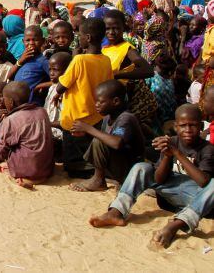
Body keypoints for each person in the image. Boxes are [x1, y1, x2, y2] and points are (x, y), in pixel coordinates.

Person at [89, 104, 214, 248]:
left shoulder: (207, 149)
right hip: (169, 194)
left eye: (193, 125)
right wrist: (167, 156)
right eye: (183, 125)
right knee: (142, 167)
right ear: (175, 126)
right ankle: (116, 211)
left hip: (197, 198)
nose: (187, 130)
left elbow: (203, 182)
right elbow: (159, 179)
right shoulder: (171, 141)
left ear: (200, 126)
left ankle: (176, 224)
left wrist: (177, 153)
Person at [51, 18, 114, 177]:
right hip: (96, 116)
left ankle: (79, 171)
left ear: (88, 38)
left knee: (72, 158)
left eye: (80, 36)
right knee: (87, 149)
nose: (78, 39)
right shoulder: (106, 60)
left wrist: (57, 94)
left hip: (75, 116)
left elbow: (62, 85)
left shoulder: (79, 60)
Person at [70, 80, 145, 191]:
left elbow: (116, 143)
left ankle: (98, 180)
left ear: (115, 101)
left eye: (100, 102)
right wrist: (86, 133)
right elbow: (104, 142)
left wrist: (88, 128)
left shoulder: (126, 118)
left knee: (98, 140)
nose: (96, 105)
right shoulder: (108, 118)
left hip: (132, 169)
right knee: (98, 139)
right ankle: (100, 178)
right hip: (118, 165)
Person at [0, 81, 55, 188]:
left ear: (11, 102)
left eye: (5, 99)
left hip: (26, 171)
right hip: (47, 170)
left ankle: (26, 177)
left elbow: (0, 153)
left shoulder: (10, 120)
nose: (4, 101)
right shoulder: (42, 111)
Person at [11, 26, 50, 106]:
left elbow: (59, 80)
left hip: (32, 104)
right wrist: (20, 61)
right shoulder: (22, 59)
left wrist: (39, 86)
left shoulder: (43, 61)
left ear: (42, 41)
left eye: (35, 40)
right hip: (17, 103)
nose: (31, 43)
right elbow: (9, 76)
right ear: (23, 41)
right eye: (28, 40)